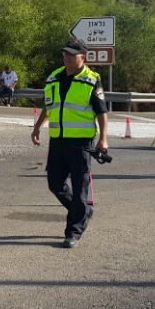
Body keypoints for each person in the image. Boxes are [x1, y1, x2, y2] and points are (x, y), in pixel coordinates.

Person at [30, 39, 109, 248]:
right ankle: (82, 212)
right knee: (54, 184)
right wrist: (37, 127)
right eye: (65, 53)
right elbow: (49, 106)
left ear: (83, 57)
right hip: (58, 141)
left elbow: (102, 112)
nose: (66, 57)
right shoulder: (54, 77)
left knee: (80, 187)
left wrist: (103, 138)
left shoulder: (91, 80)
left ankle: (73, 231)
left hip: (81, 142)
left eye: (72, 55)